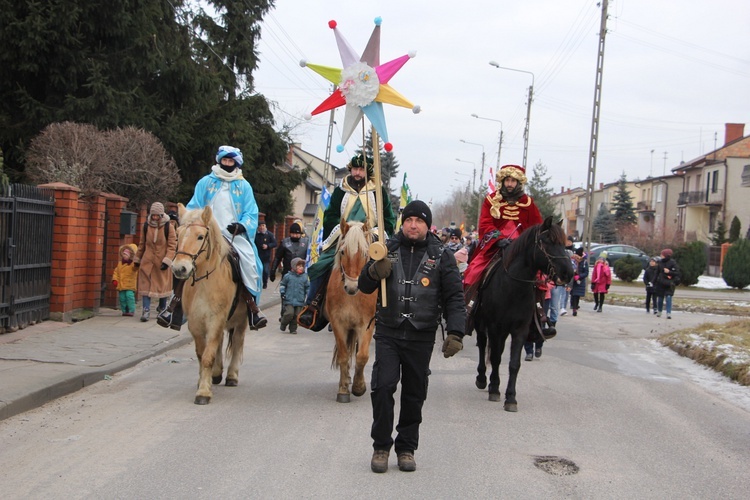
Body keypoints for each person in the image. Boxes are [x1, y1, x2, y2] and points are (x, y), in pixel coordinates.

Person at [358, 200, 465, 474]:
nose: (413, 225)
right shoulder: (387, 250)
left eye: (419, 220)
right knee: (383, 387)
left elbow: (454, 296)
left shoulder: (441, 255)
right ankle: (381, 446)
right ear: (402, 223)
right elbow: (364, 284)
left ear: (427, 225)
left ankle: (406, 448)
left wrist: (455, 331)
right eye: (408, 220)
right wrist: (373, 270)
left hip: (421, 334)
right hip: (389, 331)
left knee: (415, 393)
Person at [158, 145, 267, 330]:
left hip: (233, 235)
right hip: (205, 233)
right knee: (183, 260)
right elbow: (195, 205)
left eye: (230, 161)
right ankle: (174, 308)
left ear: (236, 163)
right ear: (219, 161)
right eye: (224, 160)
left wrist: (243, 225)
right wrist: (184, 217)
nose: (227, 164)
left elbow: (251, 212)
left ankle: (252, 308)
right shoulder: (205, 182)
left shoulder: (244, 185)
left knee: (251, 263)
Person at [298, 154, 396, 329]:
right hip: (343, 237)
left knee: (390, 269)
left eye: (361, 169)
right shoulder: (340, 190)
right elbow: (331, 216)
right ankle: (312, 305)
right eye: (355, 169)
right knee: (320, 266)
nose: (357, 173)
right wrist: (343, 230)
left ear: (368, 172)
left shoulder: (378, 192)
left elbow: (388, 218)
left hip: (369, 240)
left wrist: (376, 233)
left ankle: (388, 310)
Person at [463, 164, 543, 332]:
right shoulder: (491, 199)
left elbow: (537, 227)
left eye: (513, 180)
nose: (510, 184)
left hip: (521, 249)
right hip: (496, 247)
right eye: (507, 180)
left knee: (540, 280)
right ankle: (468, 311)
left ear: (518, 182)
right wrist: (498, 239)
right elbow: (485, 223)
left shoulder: (528, 203)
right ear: (502, 181)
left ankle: (539, 319)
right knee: (473, 272)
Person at [135, 202, 177, 322]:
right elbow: (142, 244)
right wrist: (137, 258)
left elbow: (172, 245)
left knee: (161, 287)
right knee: (146, 287)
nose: (154, 218)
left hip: (161, 262)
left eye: (156, 216)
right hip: (147, 261)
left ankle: (162, 308)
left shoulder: (169, 227)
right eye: (152, 215)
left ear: (161, 215)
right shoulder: (146, 226)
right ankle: (146, 310)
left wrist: (167, 260)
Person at [525, 272, 553, 361]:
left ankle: (539, 346)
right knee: (527, 324)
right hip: (528, 295)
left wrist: (546, 284)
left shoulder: (547, 264)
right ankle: (529, 351)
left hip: (543, 296)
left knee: (541, 321)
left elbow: (553, 279)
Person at [279, 258, 309, 334]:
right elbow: (283, 285)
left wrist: (309, 295)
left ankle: (293, 329)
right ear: (293, 267)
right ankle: (283, 323)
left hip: (300, 299)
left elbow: (308, 287)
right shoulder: (288, 276)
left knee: (297, 315)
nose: (301, 268)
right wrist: (282, 293)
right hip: (289, 299)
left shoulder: (305, 277)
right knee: (289, 313)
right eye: (298, 266)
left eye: (302, 266)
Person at [112, 243, 138, 317]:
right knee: (122, 298)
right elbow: (116, 272)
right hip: (121, 285)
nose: (124, 256)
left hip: (130, 284)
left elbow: (135, 268)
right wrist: (115, 280)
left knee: (129, 296)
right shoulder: (120, 264)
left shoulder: (132, 264)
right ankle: (124, 310)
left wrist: (137, 264)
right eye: (123, 254)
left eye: (126, 254)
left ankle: (131, 310)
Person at [654, 248, 680, 319]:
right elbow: (657, 273)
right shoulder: (660, 262)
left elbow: (677, 273)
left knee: (668, 298)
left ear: (666, 255)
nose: (661, 256)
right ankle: (659, 311)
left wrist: (669, 272)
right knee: (660, 298)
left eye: (662, 255)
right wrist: (654, 281)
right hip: (661, 283)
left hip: (669, 284)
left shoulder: (673, 263)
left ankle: (668, 313)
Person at [254, 216, 277, 289]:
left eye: (263, 226)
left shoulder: (269, 234)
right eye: (260, 226)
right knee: (257, 271)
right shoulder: (255, 234)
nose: (261, 227)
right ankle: (257, 283)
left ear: (265, 226)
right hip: (257, 256)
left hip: (266, 257)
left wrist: (267, 246)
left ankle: (265, 283)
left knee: (265, 271)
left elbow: (275, 243)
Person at [567, 247, 589, 316]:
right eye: (576, 257)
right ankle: (574, 308)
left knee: (577, 295)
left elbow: (586, 272)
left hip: (580, 281)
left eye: (578, 257)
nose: (577, 258)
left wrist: (579, 276)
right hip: (573, 281)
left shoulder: (584, 262)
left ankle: (575, 307)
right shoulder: (573, 261)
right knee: (573, 295)